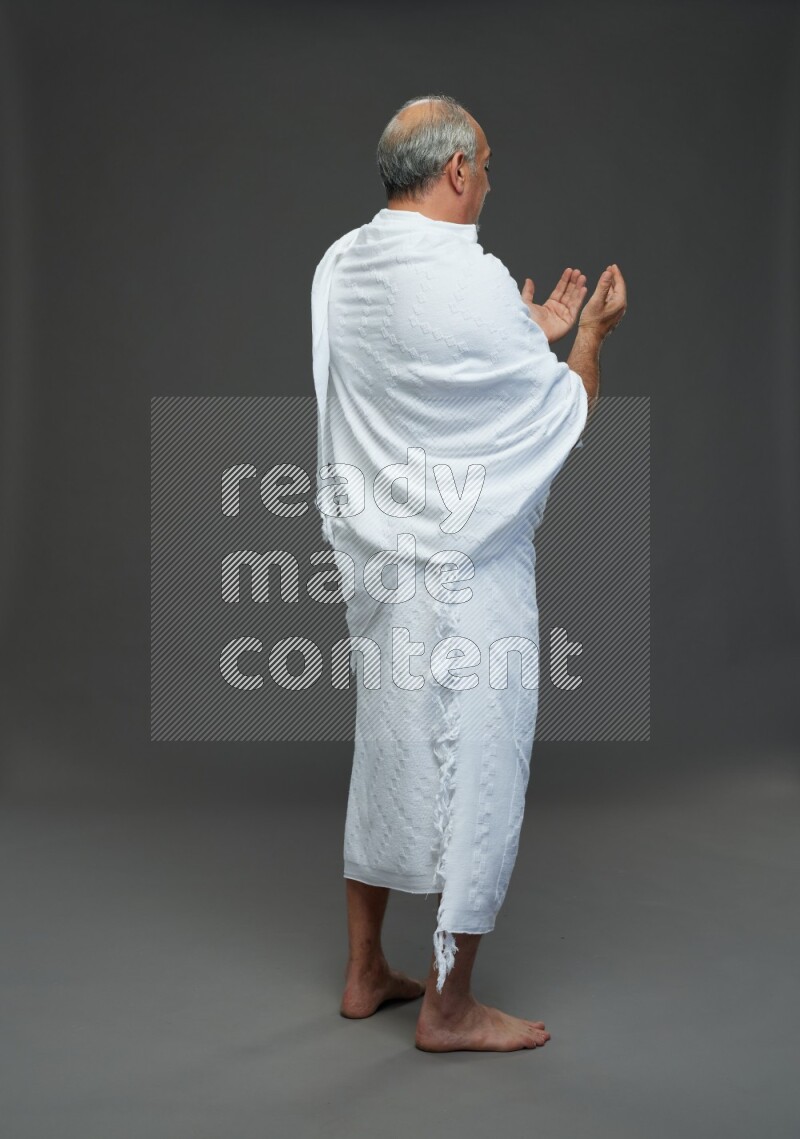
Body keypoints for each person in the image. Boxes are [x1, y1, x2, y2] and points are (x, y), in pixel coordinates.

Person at [310, 94, 626, 1052]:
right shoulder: (474, 276)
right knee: (483, 764)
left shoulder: (340, 265)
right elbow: (544, 420)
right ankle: (450, 1006)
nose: (488, 179)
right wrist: (583, 341)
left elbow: (411, 383)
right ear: (455, 171)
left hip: (385, 569)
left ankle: (366, 969)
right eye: (485, 164)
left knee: (388, 753)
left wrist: (518, 332)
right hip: (469, 573)